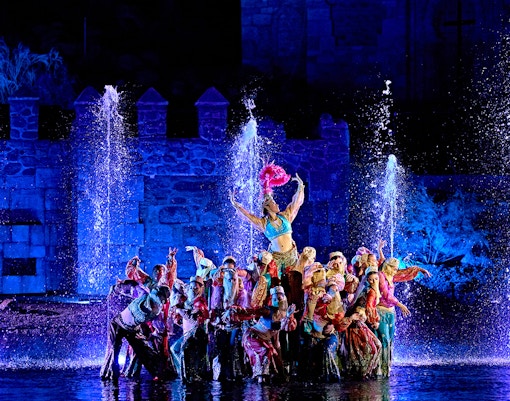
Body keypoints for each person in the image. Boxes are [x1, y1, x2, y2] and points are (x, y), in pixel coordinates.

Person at [229, 163, 305, 279]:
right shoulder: (263, 223)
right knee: (272, 282)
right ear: (267, 206)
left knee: (294, 281)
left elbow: (296, 204)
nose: (277, 204)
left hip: (291, 256)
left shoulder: (285, 216)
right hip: (275, 259)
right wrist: (236, 205)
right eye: (274, 203)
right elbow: (248, 216)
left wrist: (300, 187)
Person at [100, 284, 171, 383]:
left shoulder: (156, 313)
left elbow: (159, 330)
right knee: (114, 349)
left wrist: (148, 336)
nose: (153, 303)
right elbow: (131, 286)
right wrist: (115, 289)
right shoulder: (143, 293)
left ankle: (159, 374)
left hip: (133, 329)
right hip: (118, 324)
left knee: (143, 350)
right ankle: (109, 376)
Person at [376, 257, 431, 377]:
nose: (396, 271)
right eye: (394, 269)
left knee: (390, 340)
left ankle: (387, 368)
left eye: (396, 269)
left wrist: (420, 269)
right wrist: (400, 305)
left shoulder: (391, 275)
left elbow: (404, 273)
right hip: (380, 311)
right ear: (388, 267)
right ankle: (379, 368)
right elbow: (386, 295)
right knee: (384, 339)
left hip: (391, 311)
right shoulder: (380, 276)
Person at [170, 275, 210, 383]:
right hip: (187, 333)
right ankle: (182, 372)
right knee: (174, 349)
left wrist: (180, 312)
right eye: (191, 287)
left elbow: (196, 322)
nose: (193, 290)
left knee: (185, 352)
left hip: (196, 334)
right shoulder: (187, 301)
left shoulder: (200, 303)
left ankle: (190, 375)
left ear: (200, 288)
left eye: (196, 288)